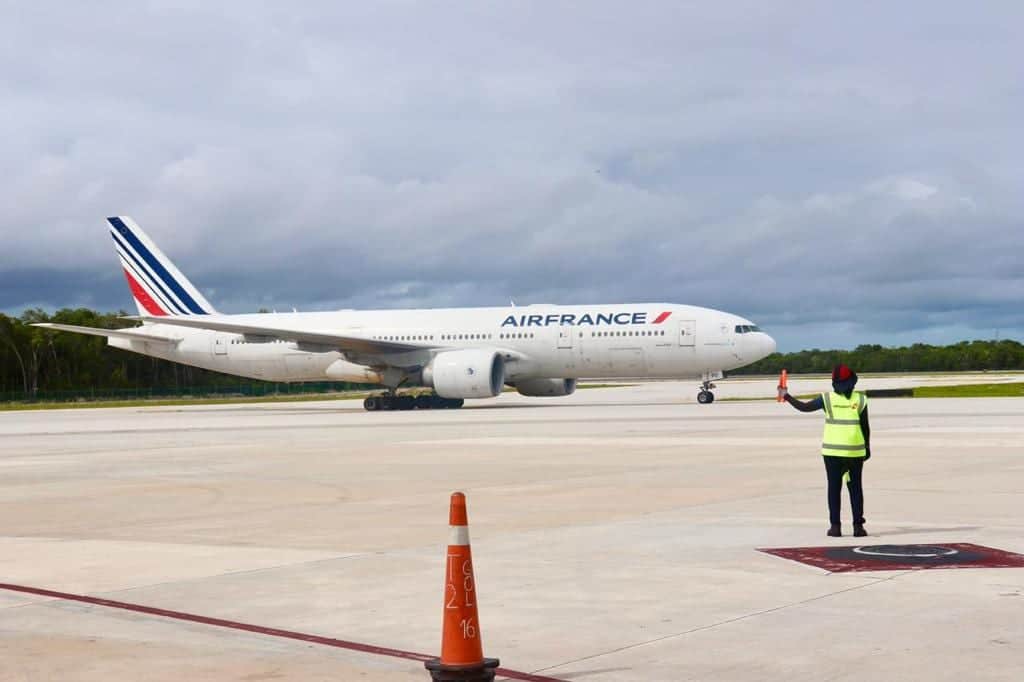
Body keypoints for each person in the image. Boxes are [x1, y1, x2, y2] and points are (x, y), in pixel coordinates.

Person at [778, 364, 871, 537]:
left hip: (832, 452)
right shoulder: (861, 399)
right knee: (855, 489)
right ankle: (858, 527)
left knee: (834, 489)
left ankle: (835, 527)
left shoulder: (827, 399)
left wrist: (787, 396)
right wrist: (867, 448)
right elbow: (865, 427)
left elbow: (804, 407)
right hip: (855, 452)